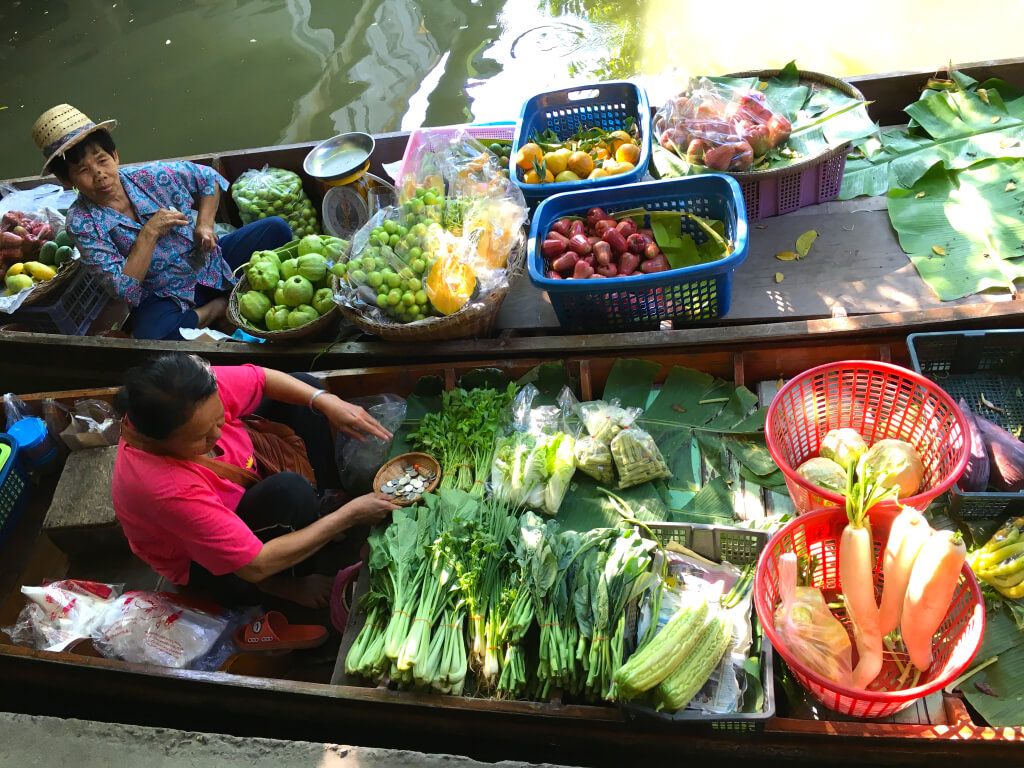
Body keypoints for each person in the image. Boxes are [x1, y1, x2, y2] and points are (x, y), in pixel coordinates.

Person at [111, 353, 399, 608]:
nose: (218, 431)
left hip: (248, 474)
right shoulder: (165, 488)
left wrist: (325, 400)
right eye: (202, 437)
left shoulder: (190, 392)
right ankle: (285, 583)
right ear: (159, 439)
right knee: (290, 492)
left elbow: (262, 378)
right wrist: (350, 516)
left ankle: (320, 507)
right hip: (220, 565)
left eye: (219, 418)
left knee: (305, 388)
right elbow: (255, 565)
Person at [31, 104, 293, 340]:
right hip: (163, 293)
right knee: (152, 336)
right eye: (83, 171)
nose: (99, 175)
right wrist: (148, 233)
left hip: (208, 259)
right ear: (68, 181)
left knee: (276, 229)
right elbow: (125, 291)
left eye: (102, 161)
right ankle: (216, 309)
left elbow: (207, 178)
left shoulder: (148, 176)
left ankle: (225, 296)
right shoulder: (81, 223)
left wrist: (204, 225)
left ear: (115, 156)